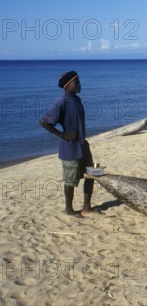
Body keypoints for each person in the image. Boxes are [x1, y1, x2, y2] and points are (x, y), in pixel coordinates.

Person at [39, 71, 98, 218]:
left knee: (92, 175)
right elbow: (44, 122)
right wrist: (62, 134)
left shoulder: (77, 100)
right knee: (70, 180)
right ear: (67, 86)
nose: (79, 84)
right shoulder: (61, 103)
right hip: (69, 148)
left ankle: (86, 207)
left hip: (83, 145)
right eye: (76, 82)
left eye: (79, 81)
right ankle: (69, 209)